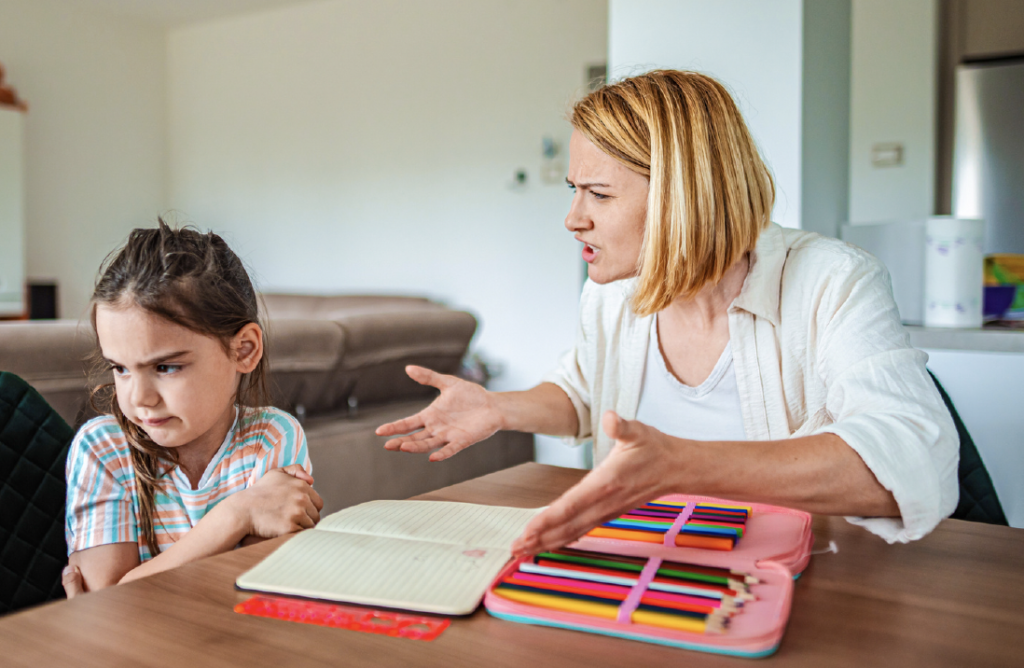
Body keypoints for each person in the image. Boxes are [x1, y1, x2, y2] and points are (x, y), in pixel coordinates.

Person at [377, 70, 958, 554]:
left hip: (796, 578)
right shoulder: (612, 292)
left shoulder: (833, 280)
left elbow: (915, 455)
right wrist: (498, 408)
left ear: (684, 195)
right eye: (573, 189)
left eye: (599, 194)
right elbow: (584, 393)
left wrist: (682, 465)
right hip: (646, 561)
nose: (573, 217)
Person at [63, 221, 323, 596]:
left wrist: (135, 583)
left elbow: (257, 587)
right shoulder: (102, 449)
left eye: (166, 367)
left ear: (244, 350)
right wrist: (236, 515)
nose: (140, 398)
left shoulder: (272, 436)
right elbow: (110, 602)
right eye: (120, 368)